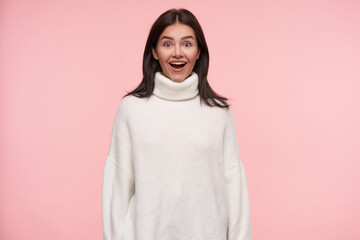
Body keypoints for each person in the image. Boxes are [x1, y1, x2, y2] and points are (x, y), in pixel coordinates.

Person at [102, 8, 252, 240]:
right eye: (168, 44)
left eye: (187, 44)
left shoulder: (218, 112)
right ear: (154, 51)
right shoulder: (131, 109)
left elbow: (234, 184)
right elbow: (118, 186)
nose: (177, 53)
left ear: (199, 51)